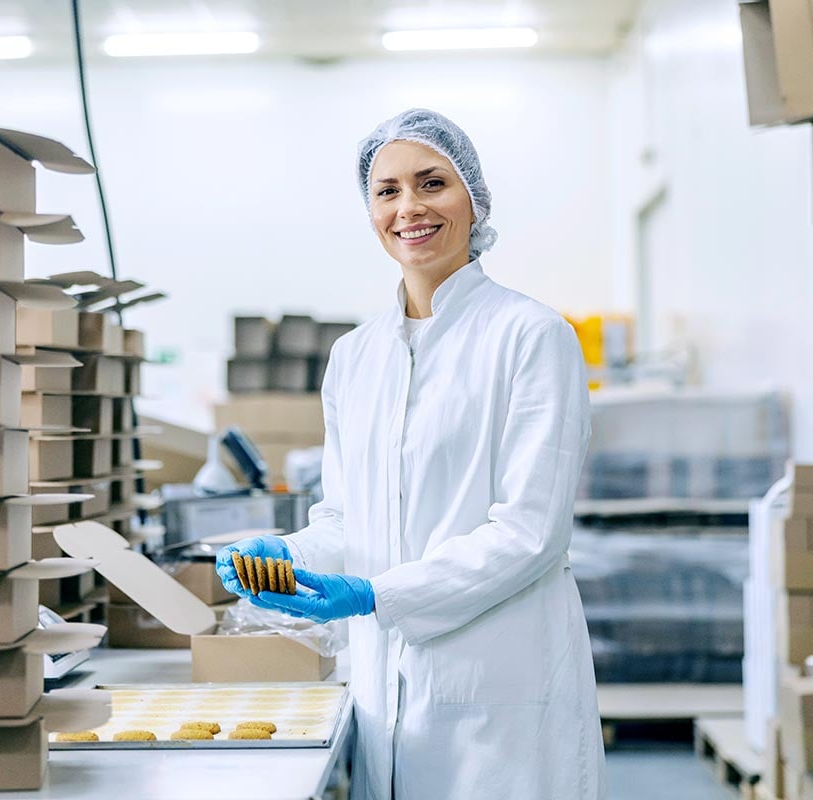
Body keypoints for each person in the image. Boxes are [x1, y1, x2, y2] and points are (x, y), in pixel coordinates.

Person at [216, 108, 606, 800]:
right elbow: (345, 517)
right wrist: (286, 556)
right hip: (380, 690)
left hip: (498, 693)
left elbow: (530, 533)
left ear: (474, 199)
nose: (409, 208)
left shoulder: (532, 337)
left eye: (432, 183)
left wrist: (376, 594)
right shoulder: (355, 356)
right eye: (386, 190)